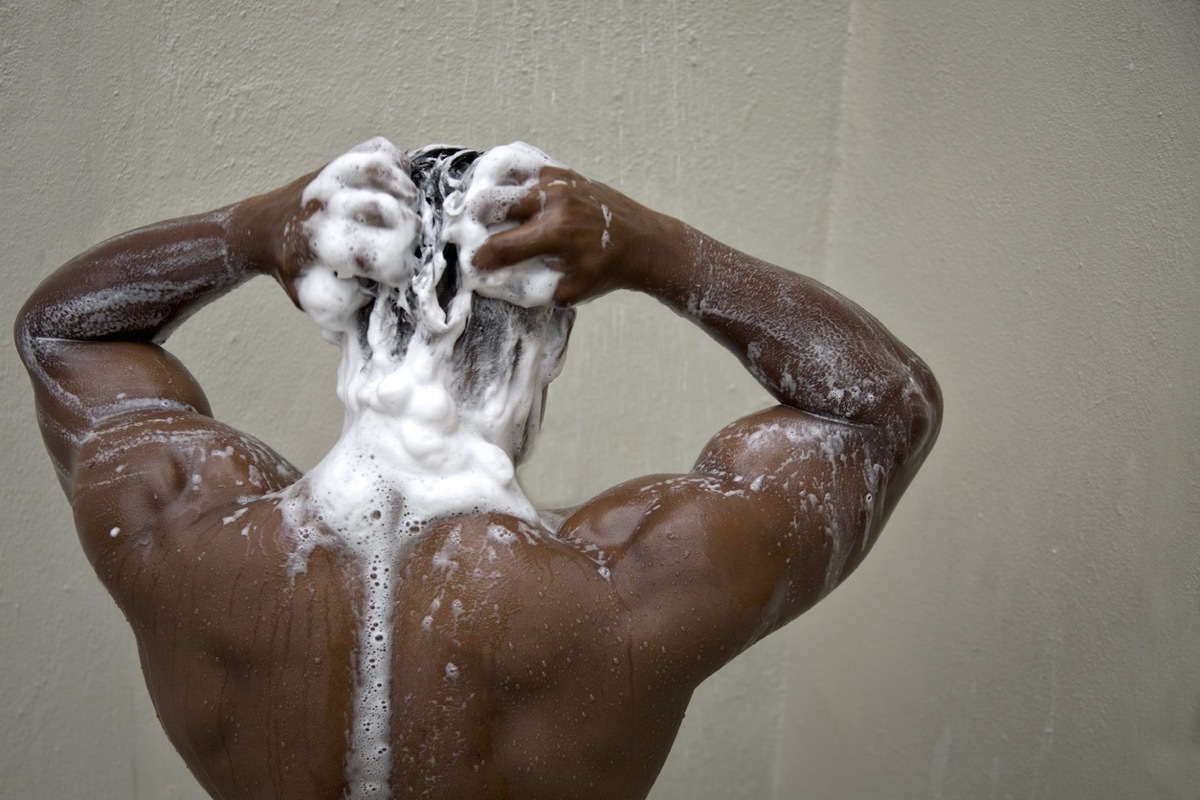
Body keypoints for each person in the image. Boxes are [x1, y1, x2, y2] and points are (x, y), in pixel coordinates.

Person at [16, 137, 941, 800]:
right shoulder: (627, 596)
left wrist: (253, 233)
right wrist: (657, 250)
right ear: (548, 346)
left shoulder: (177, 531)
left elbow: (61, 331)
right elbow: (882, 409)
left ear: (351, 320)